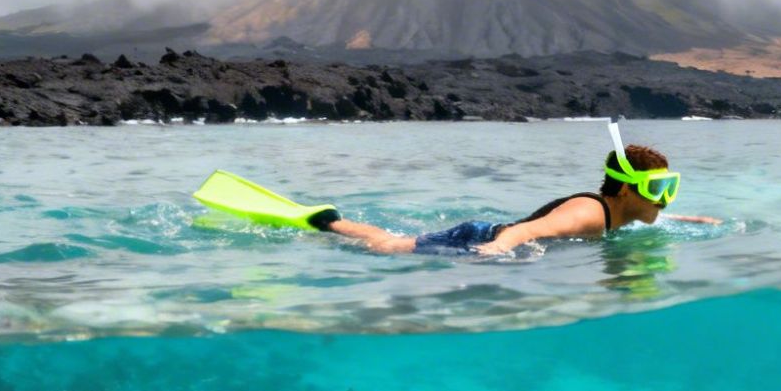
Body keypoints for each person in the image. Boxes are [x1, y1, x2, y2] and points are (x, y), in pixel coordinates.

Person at [203, 125, 718, 256]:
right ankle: (324, 219)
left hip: (491, 235)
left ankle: (330, 220)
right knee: (388, 245)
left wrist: (685, 221)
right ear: (627, 189)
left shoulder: (622, 213)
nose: (665, 199)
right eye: (658, 189)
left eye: (670, 188)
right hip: (480, 237)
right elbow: (533, 229)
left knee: (395, 240)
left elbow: (646, 220)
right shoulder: (587, 213)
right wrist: (496, 249)